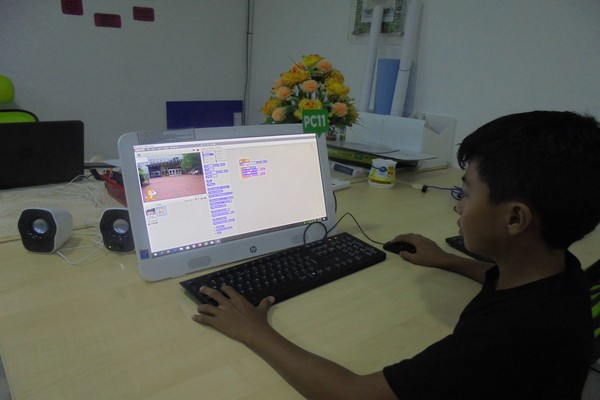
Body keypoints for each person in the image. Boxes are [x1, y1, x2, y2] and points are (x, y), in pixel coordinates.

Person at [192, 111, 600, 399]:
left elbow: (350, 394)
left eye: (466, 191)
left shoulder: (505, 339)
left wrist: (254, 330)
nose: (458, 206)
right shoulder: (560, 276)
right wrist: (448, 260)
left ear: (514, 218)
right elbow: (505, 282)